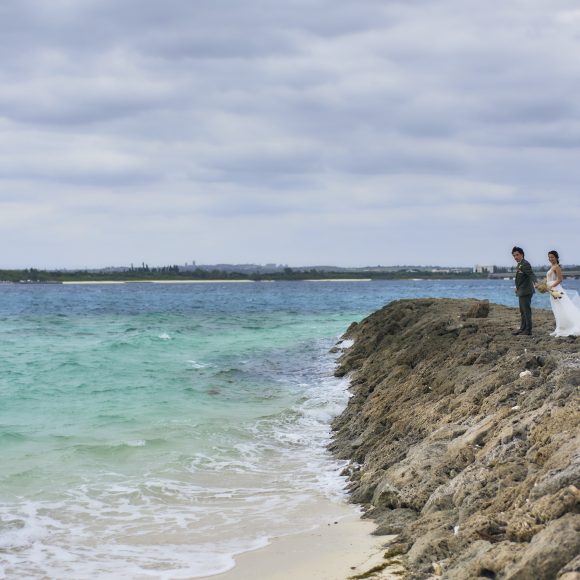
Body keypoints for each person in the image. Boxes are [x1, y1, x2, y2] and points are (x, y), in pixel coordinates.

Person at [543, 250, 580, 337]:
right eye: (549, 257)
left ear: (556, 257)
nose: (550, 259)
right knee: (556, 309)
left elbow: (560, 279)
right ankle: (558, 328)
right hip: (551, 290)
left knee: (562, 308)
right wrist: (542, 285)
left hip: (556, 290)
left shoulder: (557, 267)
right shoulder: (551, 266)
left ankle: (562, 329)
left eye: (552, 257)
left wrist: (551, 287)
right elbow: (548, 279)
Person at [512, 246, 536, 336]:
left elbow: (531, 274)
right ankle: (522, 328)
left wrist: (536, 283)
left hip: (526, 291)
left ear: (522, 254)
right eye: (514, 255)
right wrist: (517, 287)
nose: (515, 257)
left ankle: (528, 330)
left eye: (517, 255)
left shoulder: (525, 263)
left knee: (526, 312)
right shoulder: (519, 264)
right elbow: (520, 278)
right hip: (521, 291)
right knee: (522, 311)